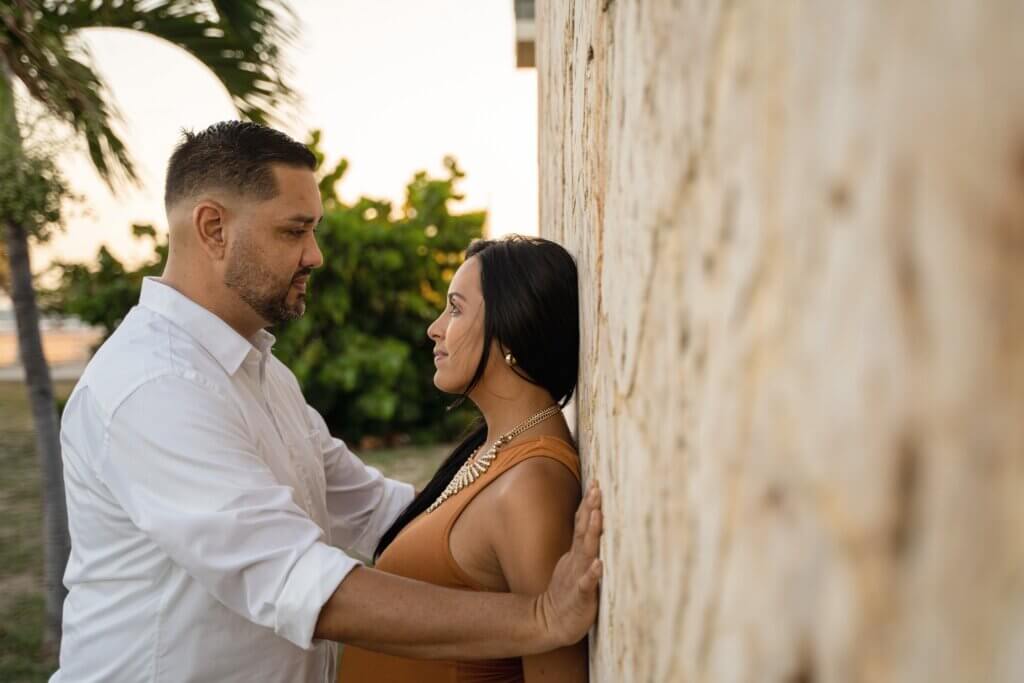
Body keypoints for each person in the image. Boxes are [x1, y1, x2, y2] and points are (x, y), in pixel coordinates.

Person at [51, 121, 602, 683]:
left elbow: (371, 510)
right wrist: (540, 615)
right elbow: (297, 583)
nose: (314, 255)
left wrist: (513, 497)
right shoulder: (154, 387)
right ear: (214, 228)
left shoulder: (261, 373)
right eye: (294, 231)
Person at [338, 235, 589, 682]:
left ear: (512, 329)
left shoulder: (532, 484)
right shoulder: (491, 454)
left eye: (455, 309)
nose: (435, 327)